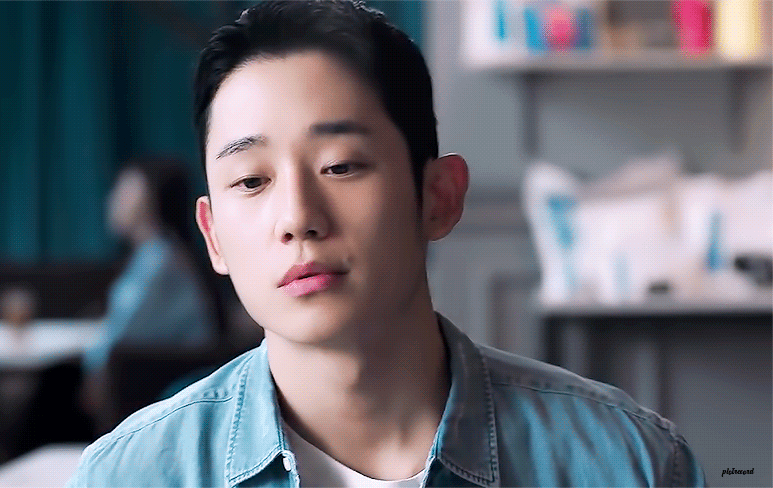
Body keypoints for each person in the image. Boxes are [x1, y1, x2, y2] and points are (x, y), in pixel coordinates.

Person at [68, 1, 706, 486]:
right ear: (213, 236)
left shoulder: (627, 463)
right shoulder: (132, 475)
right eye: (251, 180)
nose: (298, 218)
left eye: (340, 165)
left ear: (439, 197)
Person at [79, 158, 217, 421]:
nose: (113, 200)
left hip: (161, 390)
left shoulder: (159, 261)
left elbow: (122, 332)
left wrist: (94, 369)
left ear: (150, 201)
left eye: (125, 191)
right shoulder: (155, 255)